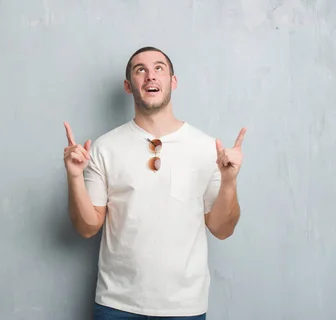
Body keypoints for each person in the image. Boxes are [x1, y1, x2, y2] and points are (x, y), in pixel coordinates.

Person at [63, 46, 246, 320]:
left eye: (159, 68)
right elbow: (88, 227)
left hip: (184, 307)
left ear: (173, 81)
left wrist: (229, 182)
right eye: (141, 70)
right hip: (117, 305)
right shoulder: (105, 147)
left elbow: (222, 229)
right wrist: (75, 177)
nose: (150, 76)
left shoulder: (207, 148)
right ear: (128, 85)